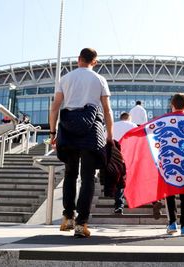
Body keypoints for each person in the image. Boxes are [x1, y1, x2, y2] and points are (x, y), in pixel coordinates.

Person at [49, 48, 113, 238]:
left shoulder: (66, 78)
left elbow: (55, 107)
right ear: (95, 62)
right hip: (91, 131)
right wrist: (110, 134)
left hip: (68, 130)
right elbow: (107, 110)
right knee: (87, 177)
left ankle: (68, 217)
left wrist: (53, 132)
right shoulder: (99, 79)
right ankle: (81, 224)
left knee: (70, 174)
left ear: (79, 59)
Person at [164, 93, 184, 236]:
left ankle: (172, 223)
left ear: (172, 105)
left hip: (169, 163)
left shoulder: (164, 121)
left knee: (169, 192)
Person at [112, 112, 136, 214]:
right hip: (130, 156)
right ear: (129, 119)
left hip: (116, 157)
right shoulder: (133, 125)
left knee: (119, 182)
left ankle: (119, 206)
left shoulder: (112, 125)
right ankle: (153, 201)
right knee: (137, 178)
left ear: (121, 118)